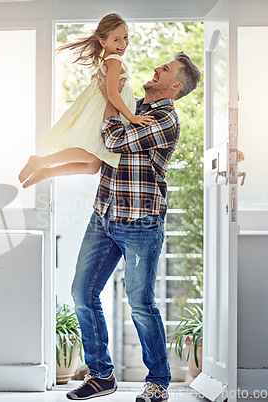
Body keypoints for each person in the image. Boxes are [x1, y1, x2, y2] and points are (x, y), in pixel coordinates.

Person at [66, 52, 201, 401]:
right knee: (83, 292)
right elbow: (95, 135)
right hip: (104, 215)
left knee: (140, 303)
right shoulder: (132, 105)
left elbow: (113, 140)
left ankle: (158, 381)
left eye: (165, 69)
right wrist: (111, 94)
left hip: (140, 222)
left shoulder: (164, 120)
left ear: (174, 86)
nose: (156, 68)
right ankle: (101, 376)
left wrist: (111, 101)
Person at [18, 13, 153, 189]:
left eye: (125, 37)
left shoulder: (109, 59)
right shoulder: (114, 61)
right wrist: (133, 117)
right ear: (103, 42)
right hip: (102, 112)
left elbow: (119, 92)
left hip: (102, 107)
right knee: (89, 156)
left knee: (92, 166)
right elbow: (112, 94)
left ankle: (47, 171)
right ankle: (41, 161)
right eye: (116, 40)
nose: (123, 44)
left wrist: (134, 101)